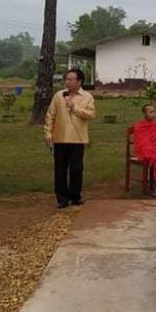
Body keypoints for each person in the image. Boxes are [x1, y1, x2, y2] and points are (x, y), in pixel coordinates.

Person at [44, 68, 96, 208]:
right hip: (60, 138)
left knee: (76, 169)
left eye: (70, 79)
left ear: (79, 81)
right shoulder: (59, 96)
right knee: (60, 170)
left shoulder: (87, 97)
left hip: (78, 139)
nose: (67, 82)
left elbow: (91, 114)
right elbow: (50, 115)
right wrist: (48, 133)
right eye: (66, 79)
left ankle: (75, 196)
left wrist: (75, 108)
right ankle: (62, 198)